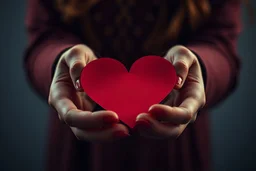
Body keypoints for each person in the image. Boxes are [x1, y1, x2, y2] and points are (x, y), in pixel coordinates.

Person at [23, 0, 242, 171]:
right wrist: (59, 65)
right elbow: (43, 35)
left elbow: (220, 41)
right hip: (80, 144)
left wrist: (199, 69)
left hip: (175, 142)